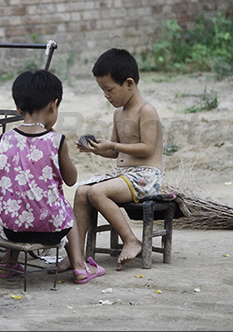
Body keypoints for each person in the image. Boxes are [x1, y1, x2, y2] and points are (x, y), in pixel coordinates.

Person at [0, 69, 104, 284]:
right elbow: (71, 180)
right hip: (51, 229)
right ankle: (79, 268)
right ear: (54, 104)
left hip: (12, 229)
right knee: (66, 212)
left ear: (18, 108)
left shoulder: (4, 139)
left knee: (20, 203)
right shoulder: (55, 140)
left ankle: (7, 265)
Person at [62, 48, 164, 272]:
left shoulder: (146, 110)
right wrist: (97, 149)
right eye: (102, 90)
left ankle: (131, 240)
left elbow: (147, 149)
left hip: (147, 175)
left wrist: (114, 146)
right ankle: (75, 254)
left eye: (109, 90)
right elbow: (116, 152)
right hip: (124, 176)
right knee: (81, 191)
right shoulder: (118, 113)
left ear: (129, 83)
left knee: (97, 192)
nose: (106, 96)